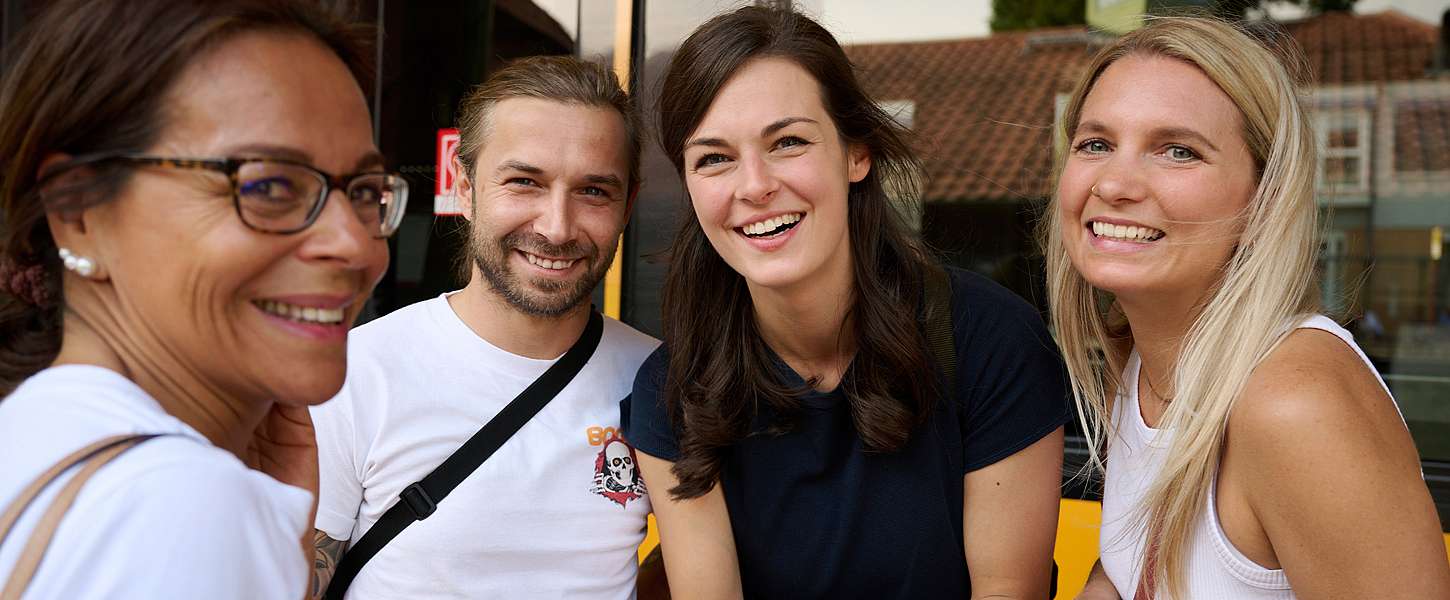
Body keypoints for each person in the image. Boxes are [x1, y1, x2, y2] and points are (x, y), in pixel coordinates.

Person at [622, 6, 1070, 598]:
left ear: (856, 153)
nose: (753, 185)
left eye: (787, 142)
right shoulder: (674, 387)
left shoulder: (988, 340)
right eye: (714, 158)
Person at [0, 0, 403, 597]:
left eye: (364, 191)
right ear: (77, 210)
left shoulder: (36, 433)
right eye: (268, 186)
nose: (355, 245)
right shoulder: (173, 505)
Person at [1044, 17, 1450, 600]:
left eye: (1178, 151)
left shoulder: (1294, 404)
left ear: (1264, 197)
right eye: (1096, 144)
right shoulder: (1140, 364)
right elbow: (1132, 562)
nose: (1114, 183)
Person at [308, 55, 659, 599]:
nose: (557, 226)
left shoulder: (660, 381)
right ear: (464, 188)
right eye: (524, 182)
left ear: (628, 204)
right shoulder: (356, 371)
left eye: (594, 191)